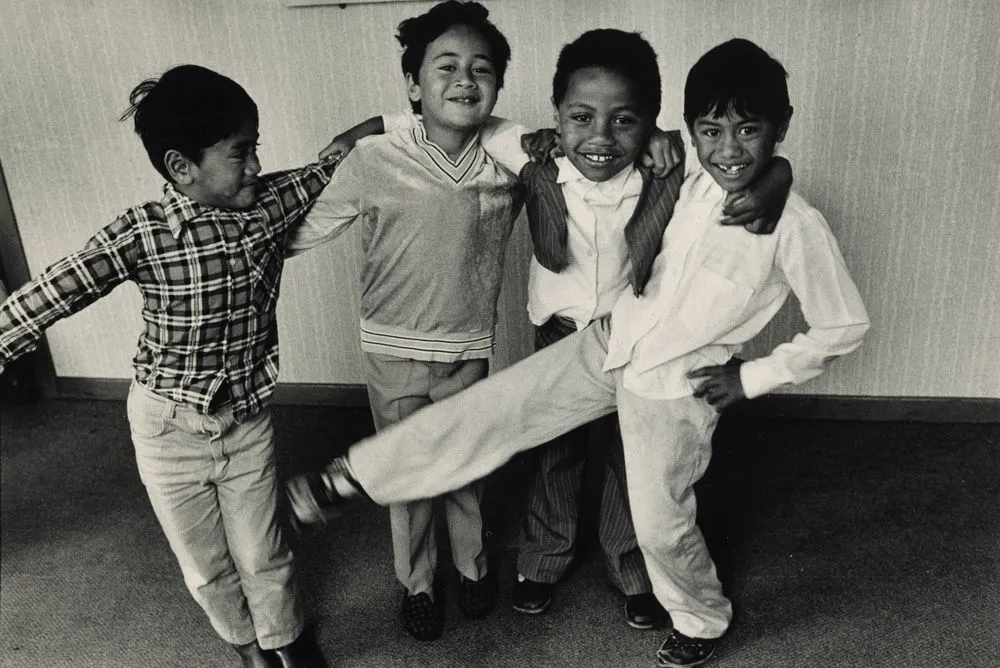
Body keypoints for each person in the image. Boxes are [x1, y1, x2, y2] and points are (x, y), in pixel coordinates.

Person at [287, 37, 869, 667]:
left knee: (658, 522)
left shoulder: (793, 223)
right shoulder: (690, 174)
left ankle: (702, 618)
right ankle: (356, 474)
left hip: (674, 388)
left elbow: (843, 325)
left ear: (780, 128)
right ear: (691, 131)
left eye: (751, 132)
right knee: (495, 410)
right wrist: (373, 126)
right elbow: (479, 122)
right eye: (711, 131)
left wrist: (752, 376)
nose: (729, 151)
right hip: (609, 338)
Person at [0, 65, 334, 668]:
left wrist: (385, 129)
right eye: (240, 153)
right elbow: (56, 288)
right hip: (166, 429)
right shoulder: (144, 233)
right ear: (182, 168)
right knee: (205, 564)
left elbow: (330, 165)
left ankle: (284, 639)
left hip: (247, 424)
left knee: (263, 551)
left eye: (255, 147)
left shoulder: (267, 207)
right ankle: (246, 646)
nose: (256, 165)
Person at [283, 0, 522, 643]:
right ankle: (417, 582)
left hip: (466, 346)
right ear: (413, 84)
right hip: (391, 349)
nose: (464, 80)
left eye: (481, 69)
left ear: (498, 85)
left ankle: (473, 569)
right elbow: (306, 228)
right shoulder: (375, 158)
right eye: (445, 67)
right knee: (404, 471)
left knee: (465, 464)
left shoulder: (510, 163)